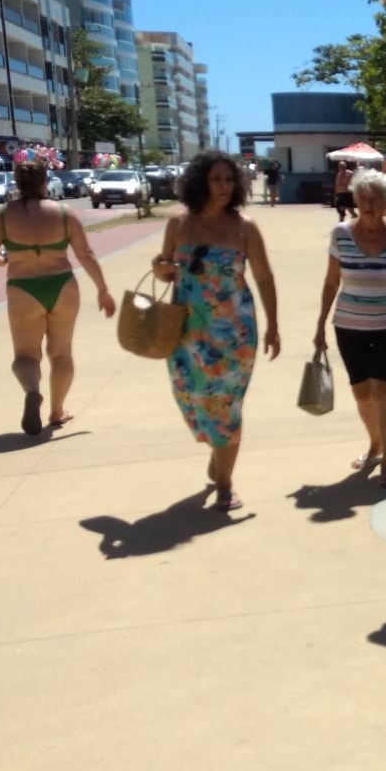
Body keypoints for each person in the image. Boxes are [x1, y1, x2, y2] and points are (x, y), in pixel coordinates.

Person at [153, 152, 281, 511]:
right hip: (186, 332)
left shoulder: (245, 227)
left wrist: (273, 325)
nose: (224, 186)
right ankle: (217, 450)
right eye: (216, 179)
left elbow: (265, 277)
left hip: (234, 334)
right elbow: (165, 271)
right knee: (192, 399)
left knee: (227, 406)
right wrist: (160, 267)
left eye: (229, 180)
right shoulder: (178, 225)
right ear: (199, 183)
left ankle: (225, 484)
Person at [0, 157, 116, 434]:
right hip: (62, 285)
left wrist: (4, 261)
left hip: (23, 288)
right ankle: (57, 410)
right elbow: (85, 254)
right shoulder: (64, 213)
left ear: (17, 183)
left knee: (26, 356)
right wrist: (103, 289)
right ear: (44, 181)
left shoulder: (1, 214)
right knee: (61, 353)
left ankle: (32, 391)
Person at [314, 168, 386, 487]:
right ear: (355, 199)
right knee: (362, 394)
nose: (369, 204)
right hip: (349, 326)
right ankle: (374, 442)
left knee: (384, 391)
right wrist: (319, 325)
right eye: (363, 198)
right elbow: (332, 281)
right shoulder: (341, 235)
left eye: (376, 198)